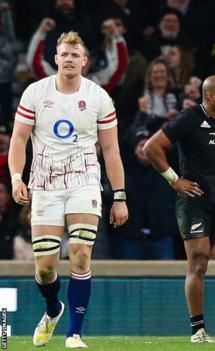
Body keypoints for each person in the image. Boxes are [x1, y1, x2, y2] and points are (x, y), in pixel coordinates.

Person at [9, 31, 128, 348]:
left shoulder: (99, 97)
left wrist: (119, 196)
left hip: (84, 181)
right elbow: (19, 139)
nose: (70, 59)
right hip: (45, 184)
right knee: (45, 267)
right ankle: (53, 309)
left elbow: (112, 150)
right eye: (64, 54)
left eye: (76, 55)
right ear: (56, 58)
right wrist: (16, 177)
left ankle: (74, 333)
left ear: (85, 61)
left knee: (79, 255)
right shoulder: (35, 92)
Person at [142, 75, 215, 343]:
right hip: (194, 200)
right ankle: (197, 330)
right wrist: (175, 181)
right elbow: (152, 147)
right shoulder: (188, 119)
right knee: (199, 262)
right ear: (210, 96)